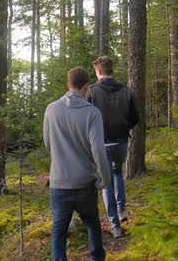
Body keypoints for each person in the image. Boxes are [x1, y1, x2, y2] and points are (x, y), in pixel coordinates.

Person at [43, 67, 111, 261]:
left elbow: (48, 144)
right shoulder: (92, 113)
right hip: (85, 183)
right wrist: (104, 179)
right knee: (92, 224)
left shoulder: (51, 109)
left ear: (68, 85)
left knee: (58, 233)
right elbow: (98, 150)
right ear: (87, 87)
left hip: (59, 182)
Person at [88, 56, 139, 238]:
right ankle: (122, 210)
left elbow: (86, 117)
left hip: (103, 143)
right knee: (118, 173)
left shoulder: (92, 92)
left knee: (106, 184)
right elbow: (135, 117)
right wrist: (124, 128)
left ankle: (115, 225)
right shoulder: (126, 90)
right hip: (122, 141)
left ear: (99, 71)